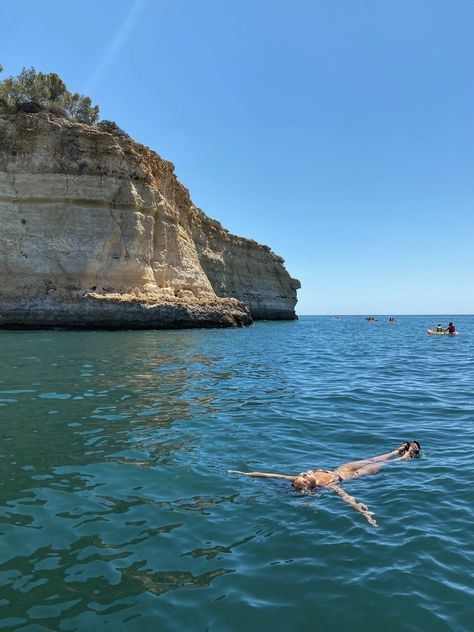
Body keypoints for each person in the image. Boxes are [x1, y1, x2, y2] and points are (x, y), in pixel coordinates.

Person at [228, 441, 421, 527]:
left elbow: (270, 475)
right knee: (379, 465)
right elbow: (347, 498)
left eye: (301, 474)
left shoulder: (296, 479)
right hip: (351, 476)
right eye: (305, 477)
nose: (304, 473)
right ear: (310, 486)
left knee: (372, 458)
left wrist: (244, 473)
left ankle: (396, 451)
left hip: (342, 468)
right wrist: (365, 513)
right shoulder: (327, 486)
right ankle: (404, 458)